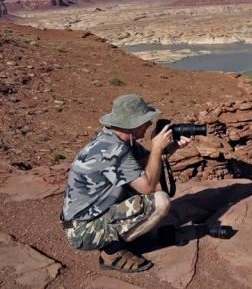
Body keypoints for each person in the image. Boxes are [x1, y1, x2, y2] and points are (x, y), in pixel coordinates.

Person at [60, 94, 193, 273]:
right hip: (83, 231)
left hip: (89, 218)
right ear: (133, 124)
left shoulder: (117, 140)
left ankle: (118, 233)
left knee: (142, 192)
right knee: (160, 201)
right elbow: (148, 186)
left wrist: (172, 146)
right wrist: (156, 147)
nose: (149, 124)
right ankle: (112, 251)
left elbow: (147, 163)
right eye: (146, 120)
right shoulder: (113, 149)